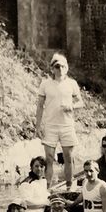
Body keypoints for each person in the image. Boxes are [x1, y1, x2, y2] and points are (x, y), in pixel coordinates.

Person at [35, 53, 82, 191]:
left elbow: (80, 102)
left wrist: (71, 106)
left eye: (62, 66)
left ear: (66, 68)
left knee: (68, 157)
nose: (60, 69)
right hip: (50, 126)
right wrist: (38, 126)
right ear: (52, 69)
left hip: (67, 125)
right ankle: (47, 189)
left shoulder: (72, 83)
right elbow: (39, 106)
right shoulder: (45, 84)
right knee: (49, 158)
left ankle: (69, 187)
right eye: (57, 66)